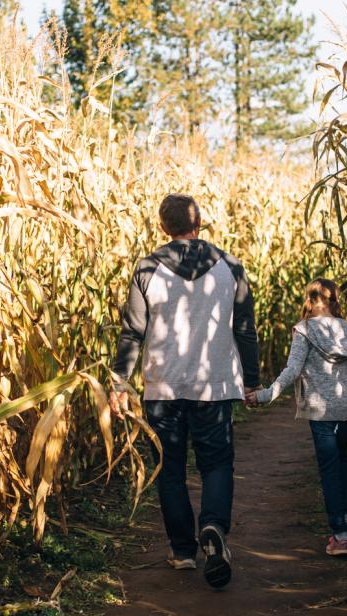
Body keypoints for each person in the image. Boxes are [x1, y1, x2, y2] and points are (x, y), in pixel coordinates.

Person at [109, 194, 260, 589]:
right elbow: (244, 327)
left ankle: (181, 550)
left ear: (162, 226)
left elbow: (132, 331)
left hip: (163, 388)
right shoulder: (230, 267)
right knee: (216, 464)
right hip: (215, 387)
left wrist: (119, 382)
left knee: (170, 470)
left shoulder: (147, 268)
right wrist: (253, 379)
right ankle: (212, 528)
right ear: (200, 223)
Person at [245, 279, 347, 557]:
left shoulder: (304, 330)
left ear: (310, 301)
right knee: (340, 459)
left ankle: (339, 537)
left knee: (329, 469)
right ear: (334, 300)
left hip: (321, 410)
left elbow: (292, 370)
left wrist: (265, 395)